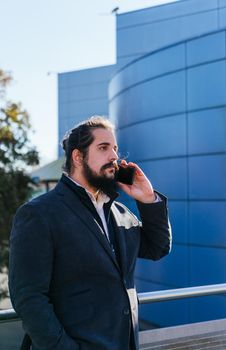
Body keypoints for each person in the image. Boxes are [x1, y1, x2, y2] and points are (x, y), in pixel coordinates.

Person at [9, 116, 172, 350]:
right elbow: (29, 298)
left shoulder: (120, 212)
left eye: (115, 148)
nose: (114, 156)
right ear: (78, 156)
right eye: (103, 148)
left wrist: (148, 199)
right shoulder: (38, 213)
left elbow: (157, 248)